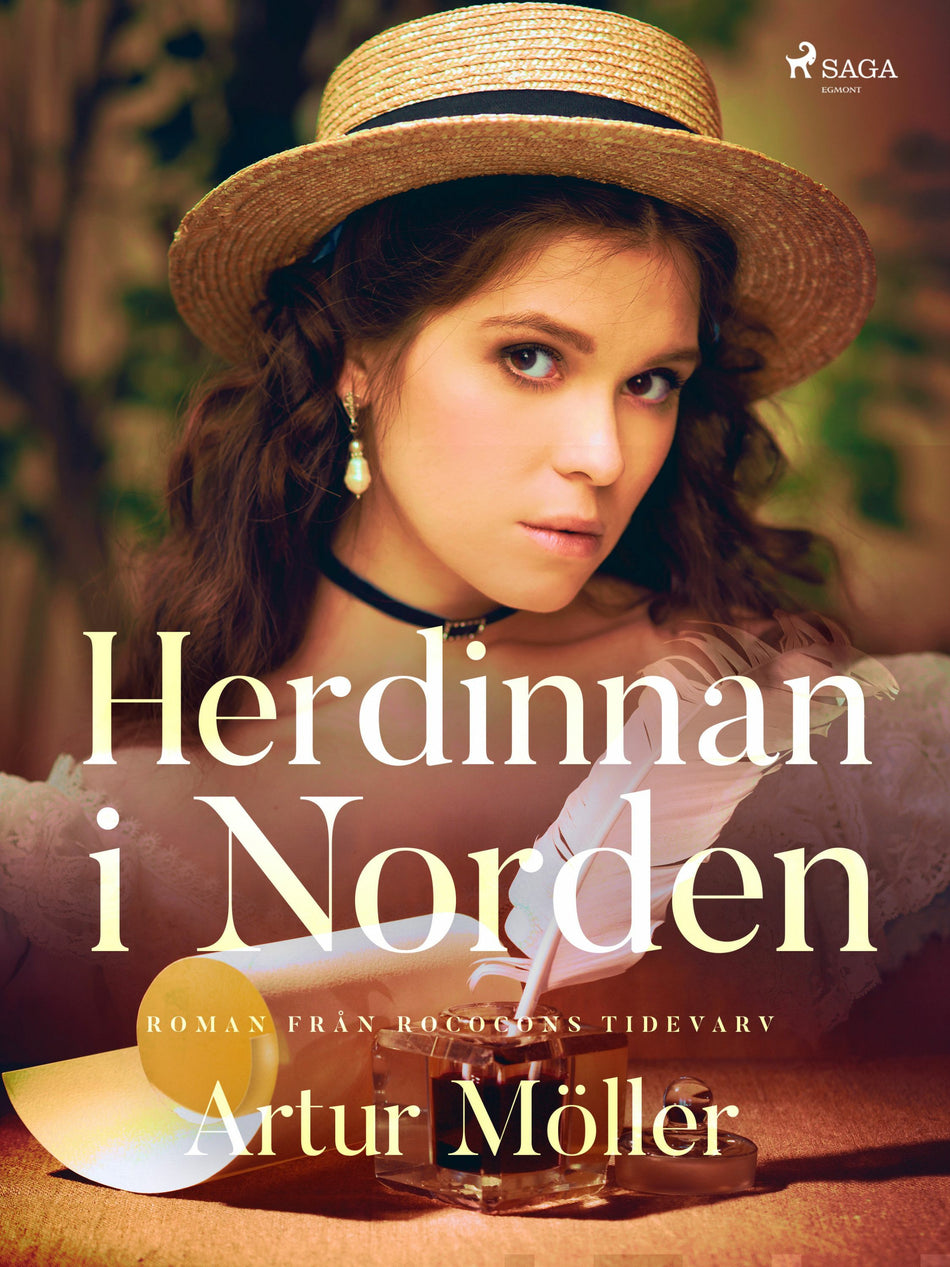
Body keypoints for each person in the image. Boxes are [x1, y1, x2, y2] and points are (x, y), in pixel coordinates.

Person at [1, 3, 947, 1070]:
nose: (602, 453)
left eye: (650, 381)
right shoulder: (111, 845)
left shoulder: (801, 746)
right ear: (355, 357)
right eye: (530, 357)